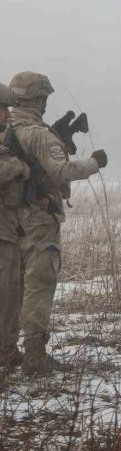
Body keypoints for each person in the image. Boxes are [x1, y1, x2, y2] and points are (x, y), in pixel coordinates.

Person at [7, 72, 107, 375]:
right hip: (39, 218)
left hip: (11, 219)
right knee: (39, 284)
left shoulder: (7, 129)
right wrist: (94, 163)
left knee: (13, 286)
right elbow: (61, 172)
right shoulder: (38, 134)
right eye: (44, 99)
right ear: (38, 99)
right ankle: (35, 356)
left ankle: (8, 350)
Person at [0, 84, 30, 370]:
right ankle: (5, 351)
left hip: (8, 228)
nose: (8, 114)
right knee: (6, 292)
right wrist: (17, 167)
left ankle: (7, 348)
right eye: (3, 108)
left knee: (12, 290)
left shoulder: (5, 142)